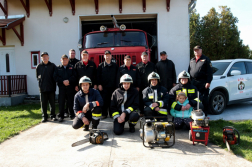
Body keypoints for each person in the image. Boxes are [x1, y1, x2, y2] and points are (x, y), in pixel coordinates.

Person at [188, 45, 213, 114]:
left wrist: (208, 82)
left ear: (201, 50)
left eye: (198, 50)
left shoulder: (206, 59)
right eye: (195, 50)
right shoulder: (192, 60)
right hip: (193, 82)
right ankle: (194, 113)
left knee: (204, 98)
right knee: (193, 97)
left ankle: (205, 113)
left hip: (203, 82)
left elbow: (210, 72)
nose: (196, 51)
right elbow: (189, 71)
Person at [53, 54, 76, 122]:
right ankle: (61, 116)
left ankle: (72, 115)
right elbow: (55, 77)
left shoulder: (72, 67)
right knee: (61, 102)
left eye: (66, 59)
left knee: (70, 101)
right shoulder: (57, 68)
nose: (64, 60)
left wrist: (68, 81)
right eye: (63, 59)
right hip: (62, 87)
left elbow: (74, 76)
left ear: (68, 60)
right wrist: (63, 81)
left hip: (70, 87)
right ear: (61, 60)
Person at [36, 52, 57, 123]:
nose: (44, 58)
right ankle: (44, 116)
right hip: (43, 89)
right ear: (41, 58)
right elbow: (38, 77)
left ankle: (53, 116)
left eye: (46, 56)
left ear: (48, 57)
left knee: (52, 103)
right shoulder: (39, 66)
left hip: (51, 88)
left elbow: (55, 76)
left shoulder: (53, 65)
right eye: (43, 57)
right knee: (43, 104)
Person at [97, 50, 118, 119]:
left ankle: (112, 114)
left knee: (112, 101)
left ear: (111, 56)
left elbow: (117, 76)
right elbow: (98, 76)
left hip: (113, 87)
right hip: (104, 87)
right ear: (104, 56)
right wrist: (99, 84)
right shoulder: (101, 65)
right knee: (104, 101)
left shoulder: (115, 65)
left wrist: (117, 86)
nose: (107, 56)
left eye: (109, 55)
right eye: (106, 55)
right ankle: (104, 114)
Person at [136, 52, 155, 116]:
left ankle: (150, 111)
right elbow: (137, 77)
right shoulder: (138, 66)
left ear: (148, 57)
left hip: (149, 86)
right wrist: (138, 86)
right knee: (141, 99)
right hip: (141, 86)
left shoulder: (152, 65)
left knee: (150, 98)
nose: (145, 57)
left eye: (146, 56)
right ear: (141, 57)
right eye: (143, 56)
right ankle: (141, 112)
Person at [63, 49, 79, 118]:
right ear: (69, 54)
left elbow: (77, 74)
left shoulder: (78, 62)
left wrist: (76, 85)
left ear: (75, 54)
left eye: (73, 53)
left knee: (72, 99)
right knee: (66, 99)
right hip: (66, 84)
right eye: (71, 53)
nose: (72, 54)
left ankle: (73, 112)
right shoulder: (66, 61)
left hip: (73, 83)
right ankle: (66, 111)